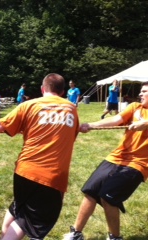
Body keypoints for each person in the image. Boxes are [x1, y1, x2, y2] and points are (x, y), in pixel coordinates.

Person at [0, 73, 79, 240]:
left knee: (19, 209)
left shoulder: (29, 105)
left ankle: (4, 235)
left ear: (42, 89)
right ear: (63, 92)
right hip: (51, 177)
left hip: (24, 171)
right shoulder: (71, 109)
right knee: (27, 221)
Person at [63, 82, 148, 240]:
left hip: (139, 164)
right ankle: (76, 233)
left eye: (144, 92)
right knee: (90, 191)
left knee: (108, 197)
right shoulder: (136, 107)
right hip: (116, 157)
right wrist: (91, 125)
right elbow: (116, 120)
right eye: (141, 91)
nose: (140, 94)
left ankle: (115, 237)